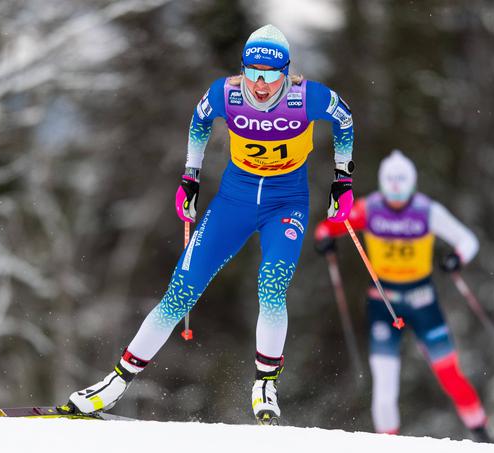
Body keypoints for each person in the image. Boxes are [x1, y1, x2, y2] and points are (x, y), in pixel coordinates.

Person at [60, 24, 356, 425]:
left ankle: (265, 382)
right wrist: (190, 177)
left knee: (272, 284)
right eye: (253, 73)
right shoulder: (225, 93)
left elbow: (345, 120)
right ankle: (117, 381)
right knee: (180, 290)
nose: (262, 84)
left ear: (287, 72)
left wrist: (343, 179)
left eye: (271, 75)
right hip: (233, 201)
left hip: (286, 204)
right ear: (243, 70)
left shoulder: (309, 98)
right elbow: (199, 122)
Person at [314, 150, 493, 442]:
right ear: (383, 187)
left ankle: (483, 435)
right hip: (383, 302)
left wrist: (457, 258)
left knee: (449, 373)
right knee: (385, 384)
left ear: (412, 186)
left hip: (422, 300)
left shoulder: (426, 210)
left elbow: (467, 240)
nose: (396, 202)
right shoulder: (369, 208)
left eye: (403, 193)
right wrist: (324, 239)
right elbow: (331, 224)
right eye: (391, 194)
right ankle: (388, 443)